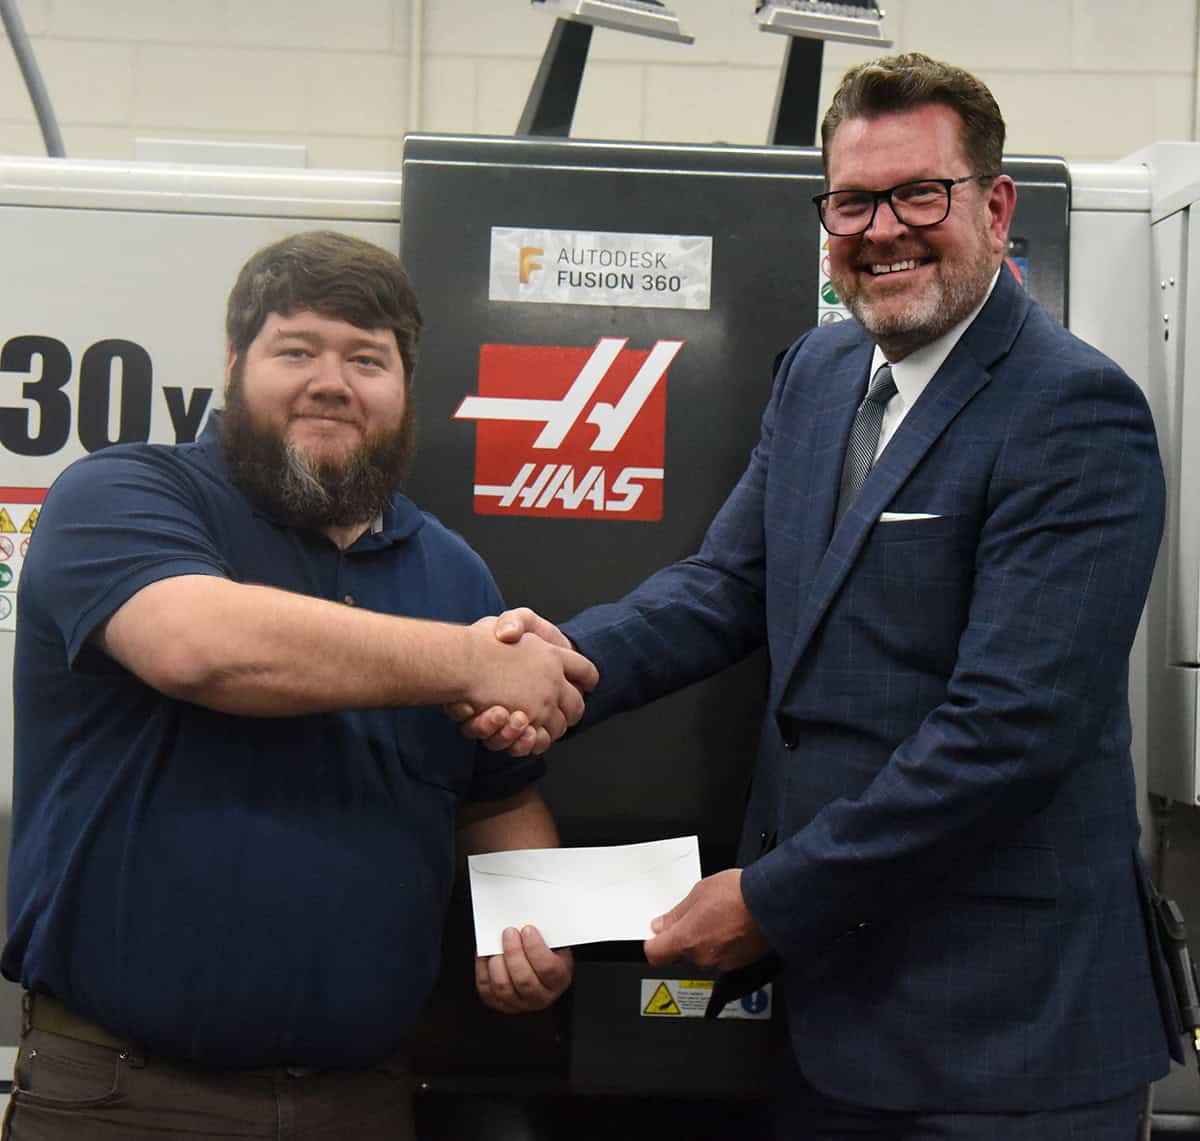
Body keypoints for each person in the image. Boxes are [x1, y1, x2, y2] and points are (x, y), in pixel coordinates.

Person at [458, 53, 1183, 1139]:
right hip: (829, 1015)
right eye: (852, 201)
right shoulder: (821, 372)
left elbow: (1009, 732)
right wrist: (548, 666)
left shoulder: (1074, 412)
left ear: (993, 206)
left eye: (917, 193)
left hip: (1005, 1036)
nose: (881, 228)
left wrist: (766, 899)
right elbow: (723, 588)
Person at [1, 230, 597, 1140]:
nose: (333, 381)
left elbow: (496, 798)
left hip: (358, 1102)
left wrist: (536, 930)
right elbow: (199, 645)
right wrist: (471, 660)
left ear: (403, 391)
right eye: (297, 350)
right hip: (124, 1097)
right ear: (236, 365)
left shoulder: (452, 573)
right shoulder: (120, 497)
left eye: (368, 358)